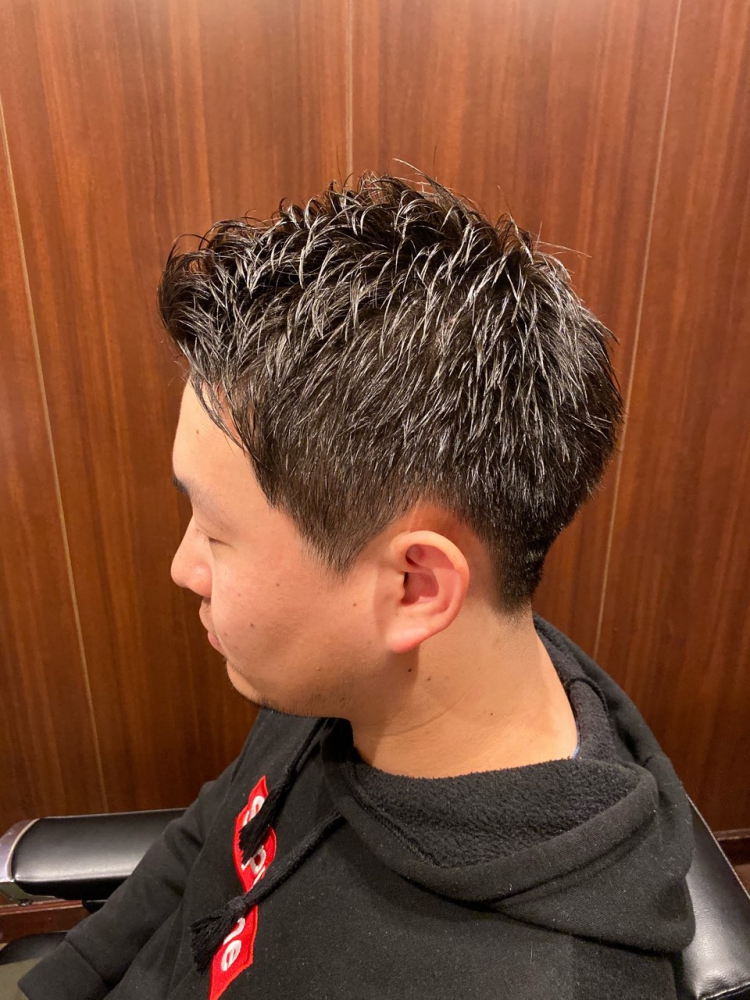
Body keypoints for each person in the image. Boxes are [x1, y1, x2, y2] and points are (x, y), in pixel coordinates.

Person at [13, 173, 694, 999]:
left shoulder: (539, 981)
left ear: (415, 587)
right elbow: (215, 834)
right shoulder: (336, 673)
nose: (183, 568)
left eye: (217, 534)